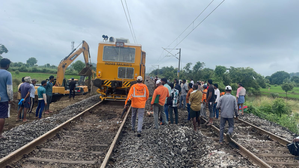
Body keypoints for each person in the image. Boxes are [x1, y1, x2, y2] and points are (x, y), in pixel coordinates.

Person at [0, 58, 13, 138]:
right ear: (7, 65)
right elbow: (9, 88)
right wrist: (10, 98)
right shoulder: (8, 74)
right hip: (3, 99)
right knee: (1, 116)